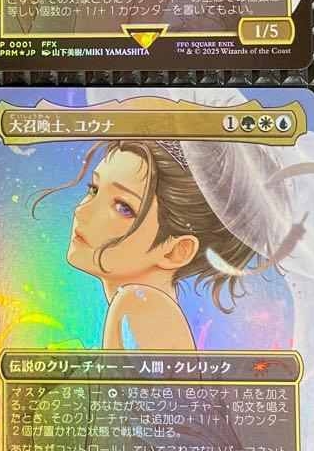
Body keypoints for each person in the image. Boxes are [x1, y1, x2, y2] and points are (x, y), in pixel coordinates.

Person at [32, 136, 259, 352]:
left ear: (175, 251)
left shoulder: (140, 303)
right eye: (94, 189)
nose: (81, 210)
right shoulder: (150, 310)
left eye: (123, 207)